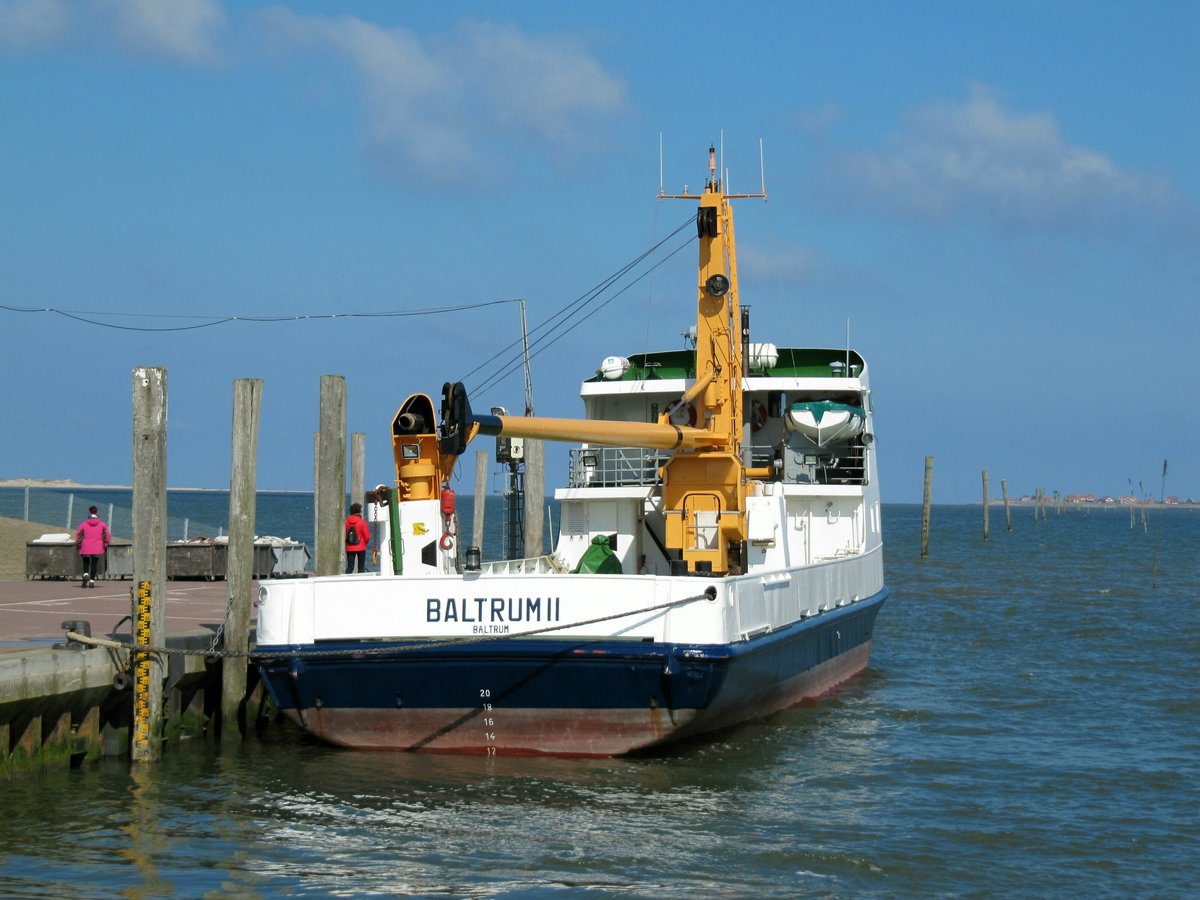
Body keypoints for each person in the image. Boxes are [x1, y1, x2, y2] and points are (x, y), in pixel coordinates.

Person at [75, 505, 110, 588]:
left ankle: (86, 574)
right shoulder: (102, 524)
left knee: (86, 563)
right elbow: (107, 535)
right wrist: (105, 544)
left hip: (86, 547)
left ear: (89, 512)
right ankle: (92, 581)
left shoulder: (83, 524)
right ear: (97, 512)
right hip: (97, 547)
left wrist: (78, 544)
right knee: (94, 564)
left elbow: (79, 535)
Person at [344, 502, 371, 573]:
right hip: (361, 547)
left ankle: (346, 581)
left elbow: (344, 533)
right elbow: (367, 536)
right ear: (359, 511)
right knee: (361, 567)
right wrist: (365, 543)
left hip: (350, 547)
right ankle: (361, 582)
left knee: (350, 567)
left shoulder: (346, 522)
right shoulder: (362, 522)